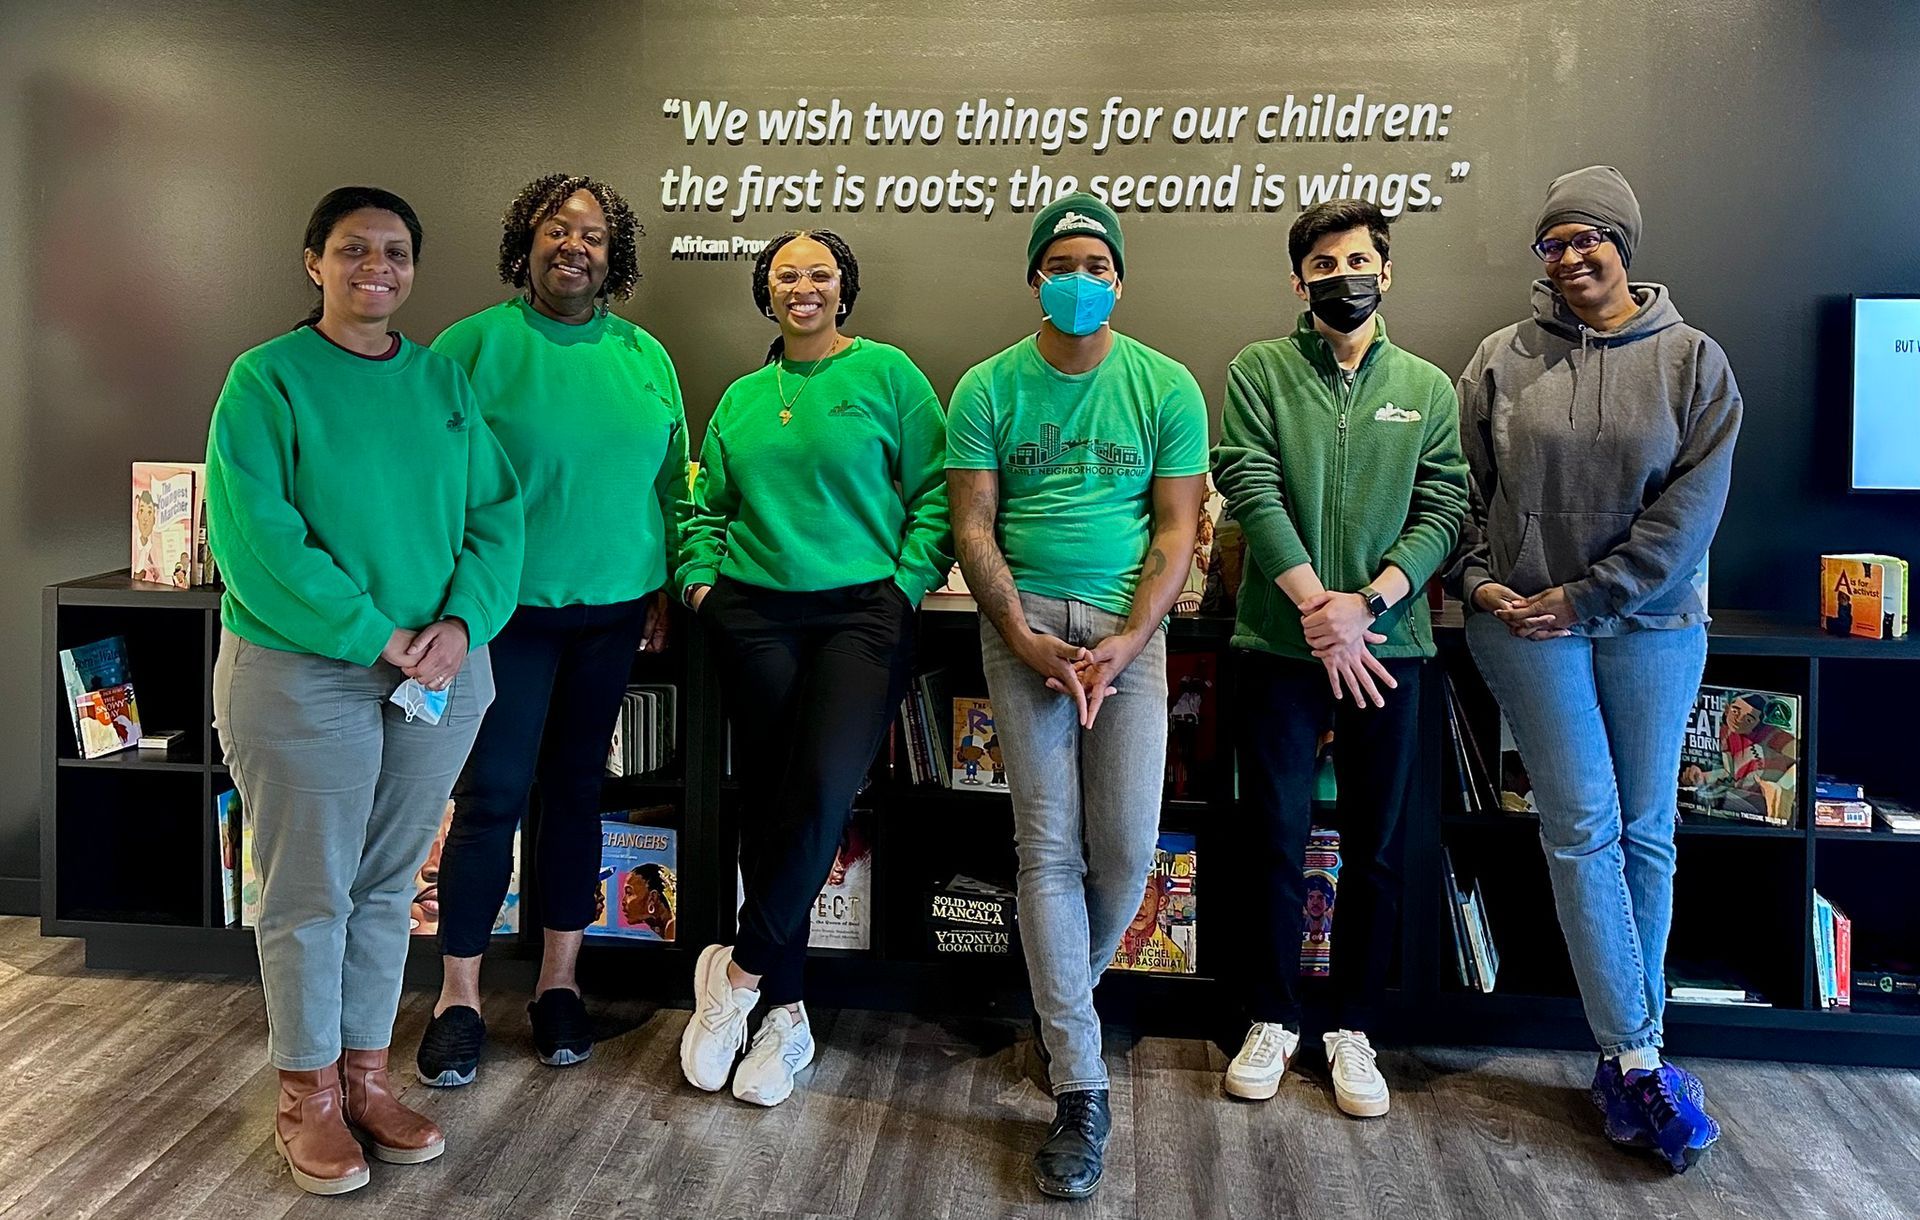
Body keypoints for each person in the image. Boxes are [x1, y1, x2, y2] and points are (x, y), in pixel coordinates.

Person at [206, 186, 523, 1196]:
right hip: (307, 674)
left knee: (389, 886)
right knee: (308, 893)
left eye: (395, 251)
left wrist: (462, 622)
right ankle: (306, 1093)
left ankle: (365, 1075)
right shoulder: (265, 381)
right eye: (353, 249)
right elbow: (262, 539)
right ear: (314, 262)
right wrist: (378, 633)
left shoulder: (442, 382)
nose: (375, 266)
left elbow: (496, 515)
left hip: (436, 674)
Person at [1454, 165, 1742, 1174]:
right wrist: (1483, 585)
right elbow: (1463, 492)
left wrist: (1592, 593)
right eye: (1555, 241)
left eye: (1590, 238)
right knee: (1583, 827)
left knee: (1648, 829)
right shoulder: (1501, 358)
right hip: (1526, 629)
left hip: (1654, 625)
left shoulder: (1696, 362)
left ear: (1626, 243)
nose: (1572, 256)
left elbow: (1689, 516)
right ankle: (1638, 1052)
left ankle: (1631, 1056)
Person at [947, 193, 1206, 1199]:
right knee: (1045, 845)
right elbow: (974, 525)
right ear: (1033, 276)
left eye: (1099, 261)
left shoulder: (1165, 383)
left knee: (1129, 848)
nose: (1081, 275)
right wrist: (1024, 634)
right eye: (1062, 260)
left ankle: (1065, 1014)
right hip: (1022, 627)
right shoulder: (987, 384)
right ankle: (1081, 1083)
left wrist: (1128, 642)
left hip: (1131, 629)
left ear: (1121, 278)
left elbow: (1178, 531)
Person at [414, 173, 691, 1088]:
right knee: (492, 796)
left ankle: (558, 983)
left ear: (617, 258)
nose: (575, 245)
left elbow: (668, 484)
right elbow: (430, 481)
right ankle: (459, 995)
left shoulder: (646, 354)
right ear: (523, 244)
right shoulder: (471, 347)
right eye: (555, 229)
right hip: (503, 613)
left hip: (613, 611)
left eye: (596, 236)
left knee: (577, 792)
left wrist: (664, 580)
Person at [676, 229, 952, 1108]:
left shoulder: (889, 376)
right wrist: (699, 586)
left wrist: (905, 585)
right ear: (767, 293)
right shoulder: (744, 397)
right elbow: (702, 505)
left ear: (844, 290)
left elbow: (939, 489)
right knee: (772, 804)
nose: (804, 286)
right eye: (787, 275)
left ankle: (740, 974)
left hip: (862, 614)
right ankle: (788, 1015)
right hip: (752, 614)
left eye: (820, 274)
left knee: (828, 788)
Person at [1210, 198, 1467, 1117]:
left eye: (1359, 261)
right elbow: (1247, 479)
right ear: (1299, 280)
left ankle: (1353, 1026)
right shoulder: (1260, 370)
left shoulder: (1429, 387)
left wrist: (1370, 606)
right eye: (1325, 265)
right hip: (1279, 647)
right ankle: (1272, 1017)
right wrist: (1318, 607)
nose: (1343, 276)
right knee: (1272, 839)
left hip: (1389, 651)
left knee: (1377, 847)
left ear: (1385, 273)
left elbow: (1446, 507)